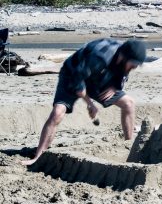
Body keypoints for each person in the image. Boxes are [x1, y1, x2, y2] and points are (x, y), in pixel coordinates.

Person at [21, 38, 147, 166]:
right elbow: (78, 83)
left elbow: (123, 75)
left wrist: (114, 87)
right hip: (72, 75)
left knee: (129, 104)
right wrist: (90, 104)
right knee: (57, 113)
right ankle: (38, 156)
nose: (135, 67)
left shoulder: (124, 57)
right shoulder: (99, 56)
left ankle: (129, 148)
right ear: (123, 56)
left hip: (99, 79)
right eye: (133, 63)